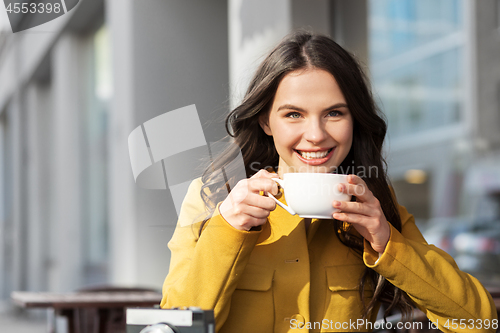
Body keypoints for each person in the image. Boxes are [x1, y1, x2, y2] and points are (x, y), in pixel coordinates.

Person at [160, 31, 497, 333]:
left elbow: (480, 322)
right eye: (294, 114)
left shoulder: (373, 203)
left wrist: (388, 243)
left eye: (334, 113)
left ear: (355, 119)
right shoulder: (213, 198)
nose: (316, 136)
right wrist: (227, 231)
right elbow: (174, 327)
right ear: (265, 120)